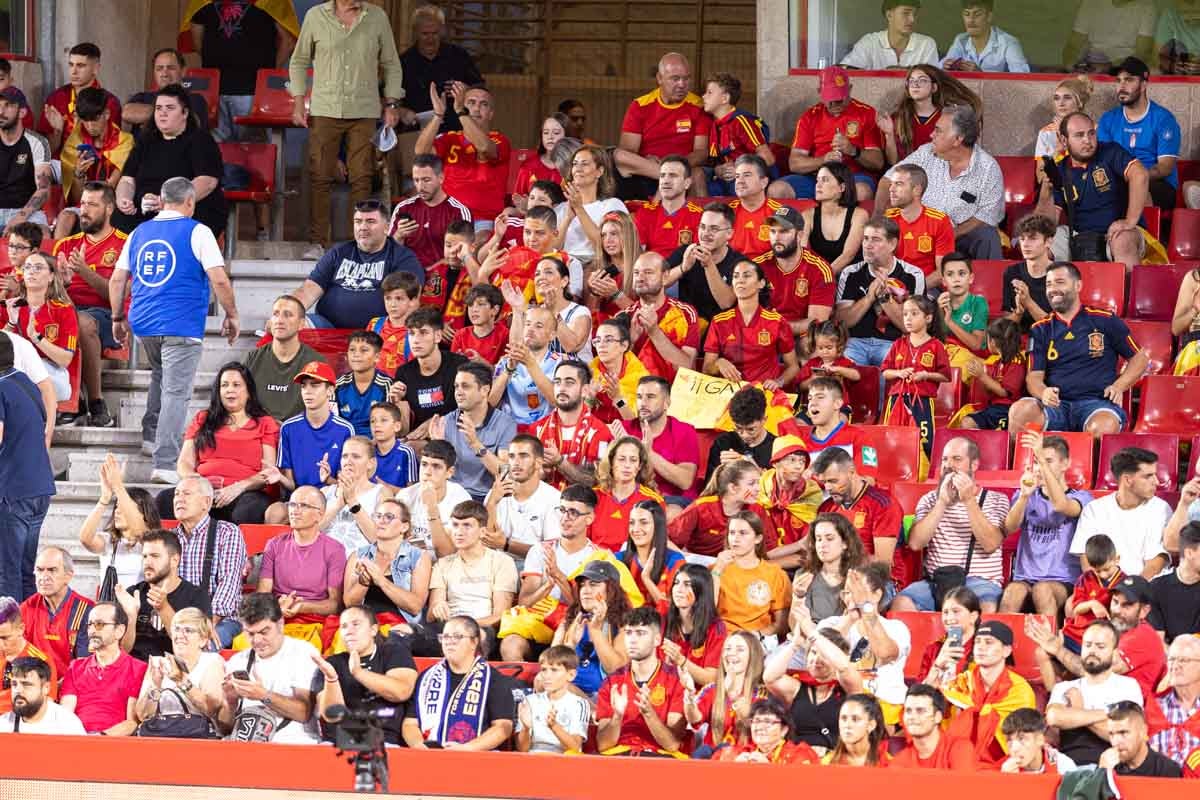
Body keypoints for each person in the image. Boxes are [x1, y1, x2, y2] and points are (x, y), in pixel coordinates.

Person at [109, 177, 238, 485]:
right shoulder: (198, 231)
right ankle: (166, 461)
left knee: (159, 374)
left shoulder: (139, 231)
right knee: (176, 392)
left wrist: (117, 318)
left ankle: (151, 436)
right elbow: (219, 279)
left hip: (144, 322)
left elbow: (117, 280)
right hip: (180, 322)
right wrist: (231, 313)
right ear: (190, 202)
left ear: (163, 199)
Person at [289, 0, 402, 257]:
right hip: (324, 108)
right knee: (320, 175)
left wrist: (392, 102)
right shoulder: (315, 16)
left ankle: (358, 244)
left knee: (362, 176)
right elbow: (299, 61)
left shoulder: (377, 17)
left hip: (364, 109)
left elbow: (391, 64)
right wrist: (298, 101)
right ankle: (318, 243)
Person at [1006, 262, 1149, 438]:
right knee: (1020, 411)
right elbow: (1033, 378)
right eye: (1049, 284)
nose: (1052, 289)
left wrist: (1119, 386)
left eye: (1060, 282)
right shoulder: (1040, 329)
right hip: (1056, 406)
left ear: (1078, 285)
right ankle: (1021, 465)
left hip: (1097, 404)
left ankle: (1092, 465)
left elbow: (1140, 358)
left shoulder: (1104, 319)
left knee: (1103, 426)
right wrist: (1043, 392)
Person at [892, 437, 1010, 613]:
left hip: (980, 582)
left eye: (957, 459)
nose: (948, 465)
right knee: (901, 604)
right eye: (945, 459)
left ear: (974, 465)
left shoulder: (996, 499)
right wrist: (941, 502)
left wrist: (969, 500)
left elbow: (991, 544)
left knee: (988, 608)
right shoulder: (929, 499)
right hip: (936, 581)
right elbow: (916, 543)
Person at [154, 362, 279, 525]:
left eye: (236, 385)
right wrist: (199, 484)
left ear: (248, 391)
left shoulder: (265, 423)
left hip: (246, 492)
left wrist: (237, 487)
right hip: (204, 491)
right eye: (224, 385)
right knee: (164, 500)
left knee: (249, 509)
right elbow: (184, 463)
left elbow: (268, 472)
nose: (230, 390)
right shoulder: (203, 419)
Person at [877, 105, 1004, 260]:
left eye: (938, 130)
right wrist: (877, 219)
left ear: (958, 139)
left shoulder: (987, 168)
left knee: (988, 237)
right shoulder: (925, 153)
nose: (931, 135)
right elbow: (887, 179)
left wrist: (947, 235)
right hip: (919, 230)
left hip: (959, 235)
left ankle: (990, 283)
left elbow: (987, 216)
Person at [51, 182, 125, 426]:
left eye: (92, 204)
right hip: (69, 309)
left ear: (109, 209)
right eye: (82, 203)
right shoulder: (65, 245)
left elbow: (119, 295)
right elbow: (53, 295)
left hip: (110, 317)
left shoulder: (124, 244)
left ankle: (95, 402)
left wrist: (84, 272)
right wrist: (65, 284)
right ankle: (70, 401)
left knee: (81, 323)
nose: (84, 210)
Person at [1035, 113, 1150, 270]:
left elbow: (1140, 175)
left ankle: (1127, 294)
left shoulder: (1110, 151)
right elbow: (1048, 224)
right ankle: (1050, 293)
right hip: (1079, 236)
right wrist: (1045, 194)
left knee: (1122, 239)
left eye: (1091, 133)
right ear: (1063, 140)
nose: (1087, 140)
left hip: (1121, 232)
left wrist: (1129, 221)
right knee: (1040, 244)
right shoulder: (1060, 170)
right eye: (1079, 135)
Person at [112, 85, 225, 237]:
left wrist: (169, 202)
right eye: (158, 108)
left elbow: (207, 182)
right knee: (116, 220)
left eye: (170, 108)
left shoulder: (200, 140)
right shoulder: (146, 140)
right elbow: (127, 179)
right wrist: (123, 199)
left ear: (184, 113)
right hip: (145, 210)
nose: (162, 113)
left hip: (186, 210)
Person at [292, 201, 424, 330]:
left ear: (386, 228)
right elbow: (308, 291)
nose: (363, 227)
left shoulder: (402, 257)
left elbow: (411, 302)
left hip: (377, 334)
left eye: (370, 221)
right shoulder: (338, 252)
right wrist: (285, 313)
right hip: (328, 327)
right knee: (294, 323)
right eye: (358, 222)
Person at [1001, 432, 1090, 616]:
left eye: (1048, 461)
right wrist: (1024, 496)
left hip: (1062, 579)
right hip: (1026, 578)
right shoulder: (1026, 495)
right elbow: (1009, 528)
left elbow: (1061, 505)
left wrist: (1040, 460)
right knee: (1011, 593)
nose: (1040, 467)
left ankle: (1049, 643)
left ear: (1065, 463)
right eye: (1037, 461)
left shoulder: (1081, 497)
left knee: (1043, 590)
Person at [217, 593, 319, 744]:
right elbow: (224, 729)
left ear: (281, 624)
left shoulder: (303, 652)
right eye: (250, 634)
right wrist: (230, 702)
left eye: (264, 632)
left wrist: (263, 695)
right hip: (244, 747)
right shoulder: (237, 661)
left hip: (291, 744)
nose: (257, 640)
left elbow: (303, 712)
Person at [187, 0, 296, 141]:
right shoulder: (202, 2)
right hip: (214, 96)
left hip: (253, 93)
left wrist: (266, 80)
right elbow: (197, 42)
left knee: (256, 156)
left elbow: (288, 42)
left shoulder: (273, 2)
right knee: (215, 156)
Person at [402, 614, 515, 749]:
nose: (449, 641)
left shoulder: (494, 680)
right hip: (429, 756)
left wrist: (467, 748)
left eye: (457, 636)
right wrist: (418, 745)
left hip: (475, 759)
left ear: (474, 642)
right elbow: (410, 723)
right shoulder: (427, 678)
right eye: (445, 637)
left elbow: (503, 727)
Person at [261, 361, 355, 522]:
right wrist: (281, 478)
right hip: (297, 499)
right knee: (274, 512)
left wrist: (327, 480)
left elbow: (346, 484)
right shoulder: (289, 428)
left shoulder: (346, 429)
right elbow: (291, 485)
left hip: (331, 499)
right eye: (304, 386)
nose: (307, 391)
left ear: (330, 390)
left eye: (315, 385)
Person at [311, 606, 417, 747]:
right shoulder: (331, 664)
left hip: (383, 742)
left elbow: (401, 691)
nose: (349, 631)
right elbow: (332, 715)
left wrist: (359, 673)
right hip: (337, 743)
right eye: (344, 626)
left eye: (356, 624)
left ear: (373, 630)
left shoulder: (394, 653)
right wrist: (331, 679)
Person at [0, 333, 55, 603]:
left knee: (6, 571)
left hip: (13, 491)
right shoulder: (27, 383)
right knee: (24, 570)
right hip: (39, 489)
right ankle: (29, 630)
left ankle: (8, 638)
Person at [1044, 619, 1144, 765]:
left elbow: (1123, 738)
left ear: (1114, 653)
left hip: (1114, 767)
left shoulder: (1128, 686)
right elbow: (1054, 717)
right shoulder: (1065, 687)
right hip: (1069, 767)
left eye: (1100, 646)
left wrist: (1077, 710)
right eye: (1088, 645)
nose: (1092, 651)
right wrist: (1110, 714)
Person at [425, 501, 518, 656]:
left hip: (482, 628)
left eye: (467, 526)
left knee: (474, 638)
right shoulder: (442, 564)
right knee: (402, 633)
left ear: (482, 532)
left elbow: (501, 615)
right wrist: (437, 609)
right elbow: (430, 615)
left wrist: (464, 627)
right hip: (447, 629)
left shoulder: (502, 562)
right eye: (455, 525)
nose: (459, 532)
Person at [777, 67, 883, 204]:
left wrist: (853, 151)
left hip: (853, 176)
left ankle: (852, 225)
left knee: (861, 191)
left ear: (849, 89)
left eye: (839, 98)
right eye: (830, 98)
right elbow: (794, 163)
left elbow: (878, 163)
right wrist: (823, 160)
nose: (835, 103)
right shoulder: (810, 117)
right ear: (820, 92)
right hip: (817, 177)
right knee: (778, 190)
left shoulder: (866, 114)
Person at [614, 52, 711, 201]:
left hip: (683, 169)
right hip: (649, 170)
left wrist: (675, 164)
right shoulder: (640, 105)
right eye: (675, 79)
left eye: (686, 79)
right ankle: (668, 175)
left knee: (697, 173)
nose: (682, 84)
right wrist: (646, 159)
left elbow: (701, 152)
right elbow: (628, 152)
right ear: (659, 78)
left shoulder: (698, 106)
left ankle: (671, 176)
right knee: (618, 155)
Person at [939, 621, 1037, 767]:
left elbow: (1024, 740)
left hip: (1003, 766)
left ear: (1007, 651)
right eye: (977, 642)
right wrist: (937, 666)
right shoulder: (962, 683)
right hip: (957, 762)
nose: (980, 647)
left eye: (988, 642)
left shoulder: (1020, 691)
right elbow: (925, 704)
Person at [415, 83, 511, 229]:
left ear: (491, 114)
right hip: (448, 217)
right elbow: (421, 153)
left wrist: (461, 111)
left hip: (483, 220)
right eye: (471, 103)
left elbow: (484, 147)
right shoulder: (450, 138)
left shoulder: (499, 140)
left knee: (477, 246)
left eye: (483, 104)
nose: (477, 108)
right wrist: (438, 115)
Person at [836, 215, 926, 369]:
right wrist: (869, 297)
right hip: (854, 343)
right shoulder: (850, 273)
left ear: (892, 244)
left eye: (875, 240)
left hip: (893, 343)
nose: (867, 245)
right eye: (865, 239)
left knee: (891, 369)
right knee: (843, 369)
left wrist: (885, 298)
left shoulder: (913, 275)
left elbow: (910, 327)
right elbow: (842, 321)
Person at [595, 605, 687, 756]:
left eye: (640, 633)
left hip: (660, 759)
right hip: (620, 757)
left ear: (657, 640)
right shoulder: (612, 682)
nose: (632, 640)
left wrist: (649, 714)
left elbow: (673, 745)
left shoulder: (676, 680)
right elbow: (603, 745)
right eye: (629, 633)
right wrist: (617, 716)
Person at [1072, 447, 1171, 578]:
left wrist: (1127, 591)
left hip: (1145, 588)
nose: (1157, 482)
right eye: (1148, 476)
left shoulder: (1161, 509)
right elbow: (1087, 561)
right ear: (1128, 480)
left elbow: (1155, 565)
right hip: (1103, 587)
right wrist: (1105, 592)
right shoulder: (1094, 509)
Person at [1098, 56, 1180, 210]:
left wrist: (1136, 177)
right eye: (1118, 81)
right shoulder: (1108, 119)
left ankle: (1141, 233)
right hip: (1119, 181)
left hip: (1158, 184)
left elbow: (1165, 168)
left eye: (1128, 80)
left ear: (1143, 85)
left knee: (1136, 191)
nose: (1121, 86)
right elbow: (1103, 160)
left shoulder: (1164, 119)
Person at [114, 530, 210, 661]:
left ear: (174, 560)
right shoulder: (132, 594)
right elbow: (121, 653)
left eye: (155, 556)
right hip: (135, 671)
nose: (147, 562)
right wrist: (131, 616)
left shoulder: (196, 596)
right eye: (145, 556)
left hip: (176, 671)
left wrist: (163, 607)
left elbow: (195, 647)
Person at [257, 486, 346, 628]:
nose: (295, 511)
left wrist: (303, 606)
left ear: (320, 514)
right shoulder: (274, 544)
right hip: (276, 617)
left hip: (316, 621)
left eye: (303, 505)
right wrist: (276, 606)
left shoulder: (335, 549)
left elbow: (335, 604)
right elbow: (262, 594)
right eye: (292, 505)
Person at [702, 260, 799, 388]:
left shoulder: (777, 322)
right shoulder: (719, 322)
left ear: (761, 283)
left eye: (746, 275)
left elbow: (793, 366)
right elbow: (707, 368)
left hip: (764, 395)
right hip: (729, 395)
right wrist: (718, 363)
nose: (740, 280)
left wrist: (778, 382)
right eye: (736, 276)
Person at [763, 626, 860, 753]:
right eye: (813, 652)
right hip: (796, 763)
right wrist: (795, 644)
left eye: (824, 655)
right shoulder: (797, 687)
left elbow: (844, 668)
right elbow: (769, 678)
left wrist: (812, 633)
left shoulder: (849, 688)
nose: (816, 659)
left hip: (836, 763)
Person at [880, 295, 950, 468]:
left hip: (923, 401)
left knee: (925, 440)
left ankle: (926, 475)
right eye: (905, 314)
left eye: (914, 313)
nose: (908, 318)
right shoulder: (899, 343)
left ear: (928, 318)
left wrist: (926, 375)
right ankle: (892, 471)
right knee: (892, 437)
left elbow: (945, 376)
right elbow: (885, 372)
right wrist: (899, 373)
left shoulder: (936, 346)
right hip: (897, 399)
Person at [59, 602, 146, 735]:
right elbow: (66, 715)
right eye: (90, 625)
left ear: (119, 631)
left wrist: (100, 738)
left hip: (114, 744)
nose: (92, 630)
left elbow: (132, 723)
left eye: (99, 624)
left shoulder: (137, 668)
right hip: (76, 740)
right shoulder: (76, 667)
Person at [0, 252, 77, 402]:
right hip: (14, 371)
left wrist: (37, 338)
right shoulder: (9, 307)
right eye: (27, 267)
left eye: (38, 267)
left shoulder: (64, 310)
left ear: (51, 276)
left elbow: (65, 360)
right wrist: (11, 322)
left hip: (50, 374)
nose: (32, 271)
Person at [435, 361, 517, 502]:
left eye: (465, 386)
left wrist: (475, 443)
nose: (458, 392)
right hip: (452, 496)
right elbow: (436, 472)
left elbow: (505, 473)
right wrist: (438, 447)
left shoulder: (505, 424)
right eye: (456, 386)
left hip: (486, 498)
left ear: (485, 390)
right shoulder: (446, 422)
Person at [552, 559, 635, 698]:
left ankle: (594, 712)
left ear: (611, 589)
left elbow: (615, 669)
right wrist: (570, 646)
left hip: (605, 696)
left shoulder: (624, 623)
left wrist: (596, 631)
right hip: (566, 691)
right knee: (543, 682)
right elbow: (550, 666)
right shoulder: (572, 619)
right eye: (582, 585)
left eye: (593, 584)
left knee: (559, 687)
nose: (585, 590)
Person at [131, 607, 224, 730]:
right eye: (177, 629)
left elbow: (211, 709)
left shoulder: (211, 661)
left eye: (188, 630)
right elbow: (144, 715)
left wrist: (181, 680)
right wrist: (155, 687)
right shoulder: (158, 662)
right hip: (162, 735)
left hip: (198, 738)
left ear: (203, 640)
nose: (180, 635)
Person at [397, 4, 484, 136]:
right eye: (425, 34)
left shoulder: (459, 56)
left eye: (435, 33)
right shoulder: (403, 62)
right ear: (415, 32)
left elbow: (482, 89)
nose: (430, 39)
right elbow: (385, 98)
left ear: (442, 31)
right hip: (418, 133)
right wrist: (400, 111)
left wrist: (467, 91)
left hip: (456, 130)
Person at [343, 497, 431, 625]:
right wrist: (364, 582)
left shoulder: (418, 557)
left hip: (401, 627)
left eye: (389, 517)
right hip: (365, 626)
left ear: (404, 527)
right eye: (378, 516)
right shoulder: (358, 556)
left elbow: (415, 607)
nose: (381, 521)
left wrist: (381, 581)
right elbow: (349, 604)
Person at [243, 296, 329, 422]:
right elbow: (240, 402)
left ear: (301, 324)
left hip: (299, 433)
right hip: (259, 432)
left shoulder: (316, 362)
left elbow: (321, 412)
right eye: (275, 314)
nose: (279, 320)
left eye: (288, 315)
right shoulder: (254, 358)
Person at [814, 450, 901, 573]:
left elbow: (883, 564)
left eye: (833, 481)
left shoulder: (883, 505)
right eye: (824, 482)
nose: (827, 488)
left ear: (851, 473)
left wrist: (835, 559)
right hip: (836, 574)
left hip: (874, 578)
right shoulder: (826, 508)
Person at [78, 456, 157, 590]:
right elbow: (85, 539)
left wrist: (118, 487)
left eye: (125, 508)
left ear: (144, 513)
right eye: (116, 507)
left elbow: (140, 532)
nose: (117, 512)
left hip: (139, 606)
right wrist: (105, 498)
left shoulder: (152, 541)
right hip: (110, 606)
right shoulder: (109, 541)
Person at [59, 86, 132, 230]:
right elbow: (75, 199)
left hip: (112, 204)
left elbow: (111, 187)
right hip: (84, 204)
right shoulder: (74, 143)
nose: (90, 125)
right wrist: (79, 174)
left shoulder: (125, 141)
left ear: (106, 114)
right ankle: (57, 252)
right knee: (65, 216)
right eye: (85, 120)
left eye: (95, 119)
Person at [484, 434, 561, 571]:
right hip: (497, 565)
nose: (516, 463)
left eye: (523, 456)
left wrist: (507, 545)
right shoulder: (496, 493)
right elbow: (486, 542)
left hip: (536, 568)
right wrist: (491, 505)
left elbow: (551, 553)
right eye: (512, 456)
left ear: (538, 462)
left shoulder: (553, 499)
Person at [620, 251, 700, 382]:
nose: (640, 278)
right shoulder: (624, 316)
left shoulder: (685, 313)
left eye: (648, 272)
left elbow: (688, 368)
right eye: (636, 273)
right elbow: (617, 372)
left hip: (674, 394)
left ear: (665, 276)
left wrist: (654, 331)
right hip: (635, 394)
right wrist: (631, 343)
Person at [531, 360, 612, 489]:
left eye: (569, 383)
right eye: (557, 382)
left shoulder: (600, 432)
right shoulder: (537, 430)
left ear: (584, 390)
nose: (561, 388)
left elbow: (596, 480)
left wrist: (560, 462)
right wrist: (539, 472)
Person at [879, 64, 981, 166]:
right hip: (909, 175)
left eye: (922, 80)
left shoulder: (947, 117)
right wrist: (889, 134)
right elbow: (893, 162)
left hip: (940, 174)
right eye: (912, 81)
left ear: (934, 87)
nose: (915, 84)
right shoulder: (897, 118)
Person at [683, 630, 766, 755]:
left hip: (748, 763)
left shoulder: (762, 694)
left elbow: (766, 732)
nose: (731, 653)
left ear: (753, 656)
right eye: (727, 649)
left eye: (740, 649)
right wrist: (689, 696)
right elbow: (694, 719)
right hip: (714, 762)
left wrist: (746, 714)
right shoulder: (711, 690)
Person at [393, 307, 469, 439]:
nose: (416, 340)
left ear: (438, 336)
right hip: (419, 439)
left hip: (458, 435)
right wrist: (397, 402)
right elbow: (403, 432)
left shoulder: (459, 365)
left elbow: (472, 408)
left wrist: (439, 421)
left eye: (423, 333)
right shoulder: (404, 373)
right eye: (411, 333)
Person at [712, 511, 790, 639]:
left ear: (758, 538)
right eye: (732, 533)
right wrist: (717, 570)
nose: (735, 538)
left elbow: (782, 624)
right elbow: (704, 613)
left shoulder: (775, 574)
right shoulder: (715, 570)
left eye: (743, 533)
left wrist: (756, 635)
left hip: (758, 640)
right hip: (720, 638)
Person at [37, 42, 122, 159]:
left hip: (93, 166)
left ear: (96, 69)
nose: (73, 71)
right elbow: (44, 152)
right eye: (71, 65)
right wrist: (57, 132)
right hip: (58, 164)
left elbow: (110, 151)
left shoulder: (110, 102)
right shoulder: (57, 97)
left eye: (80, 66)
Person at [761, 207, 835, 340]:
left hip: (801, 338)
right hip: (765, 336)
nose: (777, 237)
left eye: (784, 231)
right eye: (772, 231)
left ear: (800, 235)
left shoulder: (820, 269)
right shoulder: (758, 266)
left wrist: (776, 327)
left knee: (810, 345)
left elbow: (817, 322)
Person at [19, 547, 94, 678]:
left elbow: (84, 666)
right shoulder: (26, 608)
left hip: (72, 687)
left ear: (68, 576)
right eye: (39, 570)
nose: (44, 577)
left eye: (52, 570)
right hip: (35, 685)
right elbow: (17, 655)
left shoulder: (86, 610)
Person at [389, 154, 473, 270]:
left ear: (441, 178)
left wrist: (426, 272)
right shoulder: (403, 208)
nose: (420, 187)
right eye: (416, 180)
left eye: (426, 180)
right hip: (406, 277)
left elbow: (461, 257)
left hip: (442, 276)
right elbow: (389, 254)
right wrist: (399, 236)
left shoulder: (458, 211)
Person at [669, 461, 764, 562]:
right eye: (751, 483)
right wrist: (685, 558)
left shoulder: (758, 509)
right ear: (732, 488)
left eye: (758, 483)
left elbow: (767, 549)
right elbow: (666, 540)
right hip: (700, 567)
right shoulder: (701, 507)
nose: (758, 488)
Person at [665, 202, 744, 323]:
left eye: (714, 229)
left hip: (722, 329)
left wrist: (708, 264)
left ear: (729, 234)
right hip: (687, 325)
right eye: (702, 227)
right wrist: (683, 268)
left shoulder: (739, 263)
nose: (706, 234)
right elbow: (657, 283)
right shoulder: (686, 252)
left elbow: (726, 303)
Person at [757, 437, 824, 567]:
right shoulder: (757, 493)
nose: (799, 466)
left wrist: (766, 565)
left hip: (798, 567)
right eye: (792, 460)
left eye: (802, 461)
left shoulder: (811, 496)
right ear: (775, 463)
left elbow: (809, 553)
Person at [703, 73, 774, 197]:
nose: (703, 97)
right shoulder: (714, 124)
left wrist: (740, 170)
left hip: (746, 180)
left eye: (709, 92)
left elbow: (768, 158)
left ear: (724, 98)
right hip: (726, 179)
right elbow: (717, 160)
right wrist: (718, 170)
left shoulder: (742, 121)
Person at [884, 164, 955, 286]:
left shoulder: (939, 221)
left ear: (917, 190)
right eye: (891, 183)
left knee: (915, 305)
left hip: (927, 287)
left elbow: (943, 271)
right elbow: (879, 263)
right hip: (892, 287)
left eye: (898, 184)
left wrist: (914, 289)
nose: (891, 189)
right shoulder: (887, 219)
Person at [797, 377, 880, 481]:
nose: (813, 403)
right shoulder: (799, 441)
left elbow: (869, 481)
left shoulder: (862, 438)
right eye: (810, 398)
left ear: (837, 404)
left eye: (820, 397)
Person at [319, 436, 392, 554]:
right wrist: (337, 505)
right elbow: (308, 532)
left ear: (370, 463)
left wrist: (352, 501)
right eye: (345, 456)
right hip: (323, 561)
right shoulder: (325, 492)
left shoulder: (381, 493)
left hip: (359, 564)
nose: (348, 461)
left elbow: (380, 541)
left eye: (356, 456)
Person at [398, 440, 472, 557]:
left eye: (436, 466)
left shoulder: (461, 499)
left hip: (446, 567)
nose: (427, 472)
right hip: (412, 562)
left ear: (449, 472)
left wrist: (432, 509)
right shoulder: (405, 496)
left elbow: (447, 554)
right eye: (424, 464)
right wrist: (402, 545)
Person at [557, 144, 627, 266]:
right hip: (564, 265)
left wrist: (579, 209)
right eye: (575, 164)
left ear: (599, 171)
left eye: (584, 164)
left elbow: (606, 247)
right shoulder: (561, 209)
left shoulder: (612, 205)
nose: (578, 168)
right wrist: (568, 218)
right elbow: (552, 249)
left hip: (596, 264)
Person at [593, 437, 665, 552]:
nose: (627, 465)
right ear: (611, 462)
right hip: (594, 561)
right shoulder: (594, 496)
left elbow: (658, 543)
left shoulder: (653, 500)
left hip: (631, 563)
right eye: (621, 459)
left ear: (640, 466)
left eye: (633, 460)